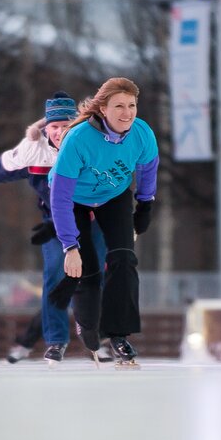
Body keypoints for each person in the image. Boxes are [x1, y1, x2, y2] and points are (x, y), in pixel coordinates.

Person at [0, 92, 108, 365]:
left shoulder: (94, 145)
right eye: (54, 127)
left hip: (95, 221)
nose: (59, 132)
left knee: (96, 278)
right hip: (56, 223)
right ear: (46, 127)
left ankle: (100, 340)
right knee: (56, 276)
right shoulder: (32, 149)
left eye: (66, 126)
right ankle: (56, 341)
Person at [49, 77, 158, 367]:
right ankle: (88, 326)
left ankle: (120, 336)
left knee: (124, 259)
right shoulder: (79, 139)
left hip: (114, 195)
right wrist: (70, 247)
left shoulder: (143, 134)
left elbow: (148, 170)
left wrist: (145, 204)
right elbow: (60, 198)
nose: (127, 113)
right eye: (119, 106)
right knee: (88, 269)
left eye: (132, 105)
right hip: (73, 199)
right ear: (103, 109)